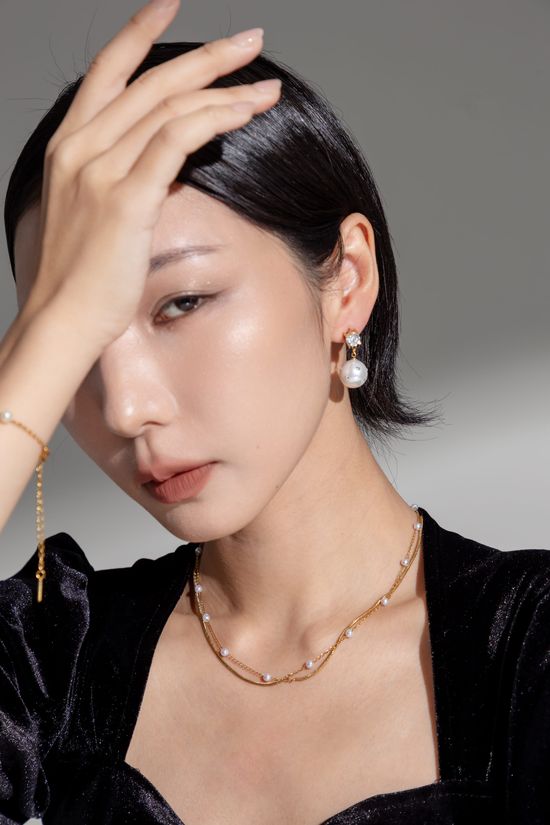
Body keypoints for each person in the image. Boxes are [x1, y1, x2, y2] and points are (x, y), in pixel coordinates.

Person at [0, 0, 548, 822]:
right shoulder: (49, 662)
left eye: (182, 302)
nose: (126, 406)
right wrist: (44, 336)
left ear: (347, 281)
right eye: (77, 344)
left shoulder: (529, 649)